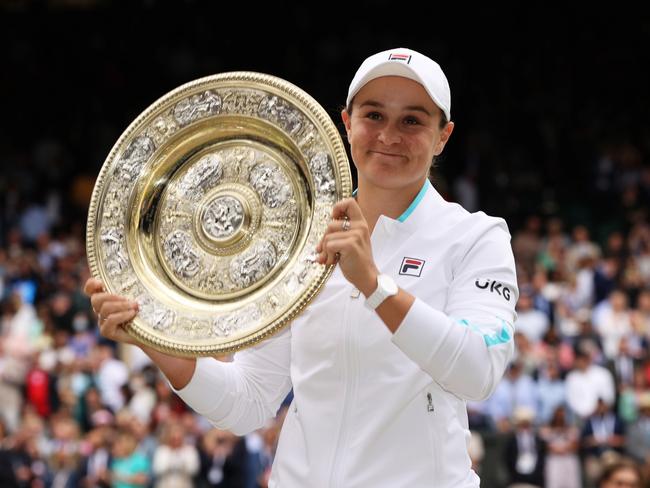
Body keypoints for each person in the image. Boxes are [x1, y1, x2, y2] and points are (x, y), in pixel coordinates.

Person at [85, 47, 519, 487]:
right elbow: (249, 401)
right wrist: (152, 338)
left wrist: (375, 286)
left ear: (443, 136)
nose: (389, 136)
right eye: (373, 116)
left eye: (412, 121)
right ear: (347, 124)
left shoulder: (475, 237)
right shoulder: (300, 239)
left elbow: (478, 369)